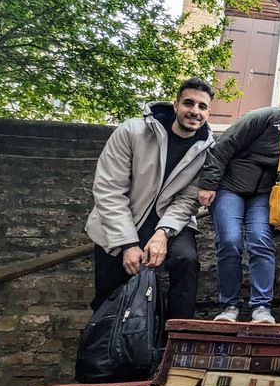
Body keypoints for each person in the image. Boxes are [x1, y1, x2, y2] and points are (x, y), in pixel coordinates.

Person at [198, 87, 280, 324]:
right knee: (229, 240)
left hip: (264, 195)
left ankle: (261, 307)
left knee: (261, 241)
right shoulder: (269, 117)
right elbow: (224, 146)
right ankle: (229, 306)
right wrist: (208, 184)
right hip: (230, 187)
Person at [85, 78, 215, 320]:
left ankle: (176, 339)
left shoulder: (207, 150)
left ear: (208, 112)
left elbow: (188, 200)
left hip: (170, 220)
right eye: (189, 103)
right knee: (109, 295)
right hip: (124, 220)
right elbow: (109, 190)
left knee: (186, 261)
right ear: (175, 105)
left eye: (202, 106)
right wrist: (127, 244)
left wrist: (163, 233)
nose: (195, 111)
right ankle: (103, 348)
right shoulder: (133, 131)